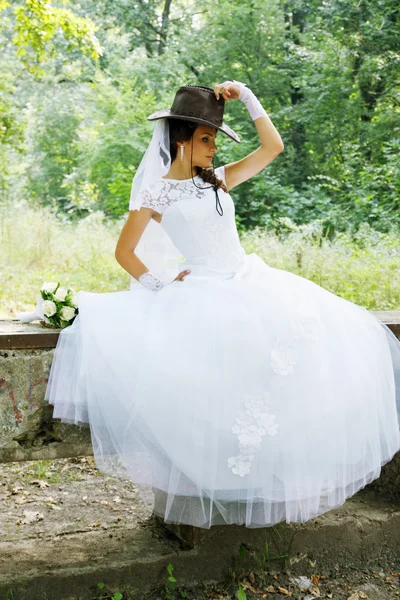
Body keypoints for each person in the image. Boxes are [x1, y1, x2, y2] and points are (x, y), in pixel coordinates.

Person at [45, 80, 400, 540]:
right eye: (207, 139)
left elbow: (274, 146)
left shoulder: (219, 180)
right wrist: (158, 283)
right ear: (181, 141)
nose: (213, 149)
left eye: (216, 140)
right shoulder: (157, 194)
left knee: (321, 335)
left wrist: (248, 96)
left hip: (251, 278)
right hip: (203, 289)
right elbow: (125, 252)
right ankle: (224, 472)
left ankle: (280, 459)